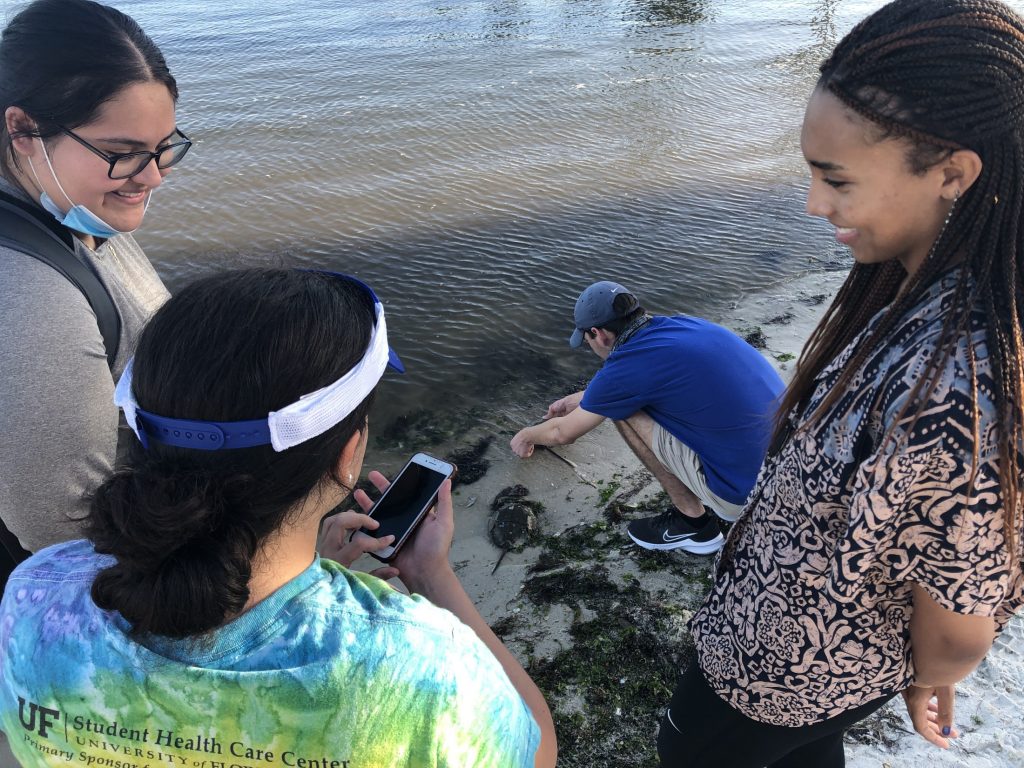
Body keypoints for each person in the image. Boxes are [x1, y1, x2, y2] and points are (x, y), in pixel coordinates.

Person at [659, 1, 1024, 766]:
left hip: (787, 670)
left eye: (836, 179)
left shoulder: (960, 395)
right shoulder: (930, 284)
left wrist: (935, 676)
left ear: (953, 173)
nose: (815, 204)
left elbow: (960, 621)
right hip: (812, 658)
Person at [0, 268, 557, 768]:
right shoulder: (417, 669)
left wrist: (312, 572)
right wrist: (432, 575)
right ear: (348, 456)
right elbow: (533, 749)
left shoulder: (34, 596)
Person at [0, 0, 187, 571]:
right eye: (123, 153)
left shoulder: (72, 204)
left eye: (163, 147)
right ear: (24, 129)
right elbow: (73, 545)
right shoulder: (30, 307)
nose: (153, 176)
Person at [510, 281, 783, 554]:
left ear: (599, 333)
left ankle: (694, 527)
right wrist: (583, 398)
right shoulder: (686, 325)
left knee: (625, 411)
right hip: (790, 469)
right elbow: (646, 376)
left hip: (746, 494)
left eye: (586, 339)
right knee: (638, 400)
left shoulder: (626, 367)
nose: (590, 345)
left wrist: (526, 435)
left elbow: (562, 433)